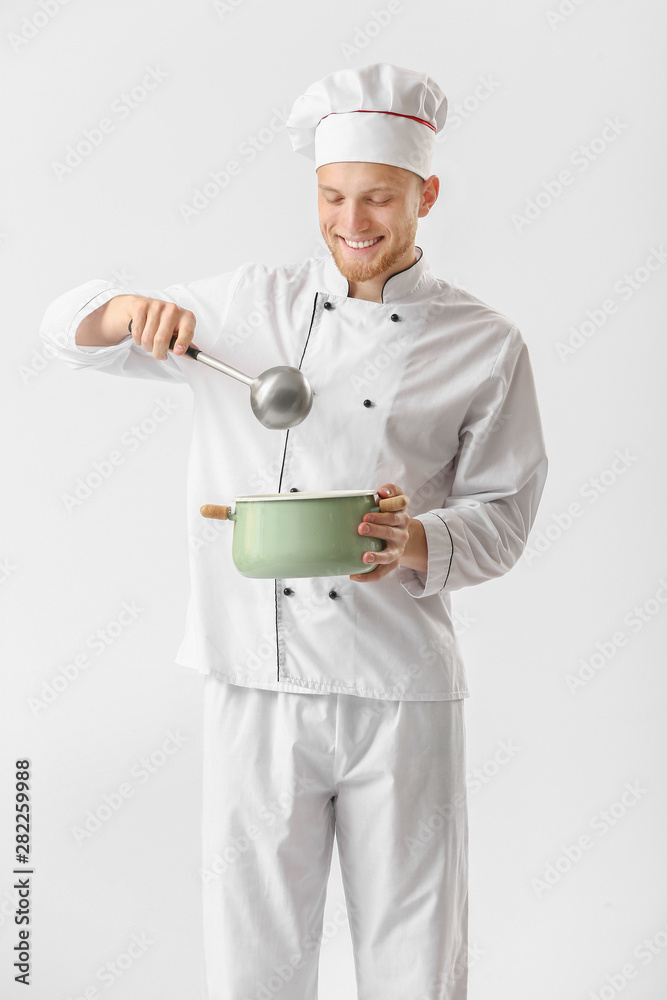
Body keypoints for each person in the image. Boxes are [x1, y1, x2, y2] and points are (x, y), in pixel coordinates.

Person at [40, 63, 548, 1000]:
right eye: (332, 197)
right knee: (254, 960)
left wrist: (417, 541)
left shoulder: (484, 343)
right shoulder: (246, 307)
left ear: (426, 194)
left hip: (400, 686)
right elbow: (65, 330)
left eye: (379, 198)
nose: (352, 221)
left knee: (415, 952)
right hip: (253, 682)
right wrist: (123, 310)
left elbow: (505, 515)